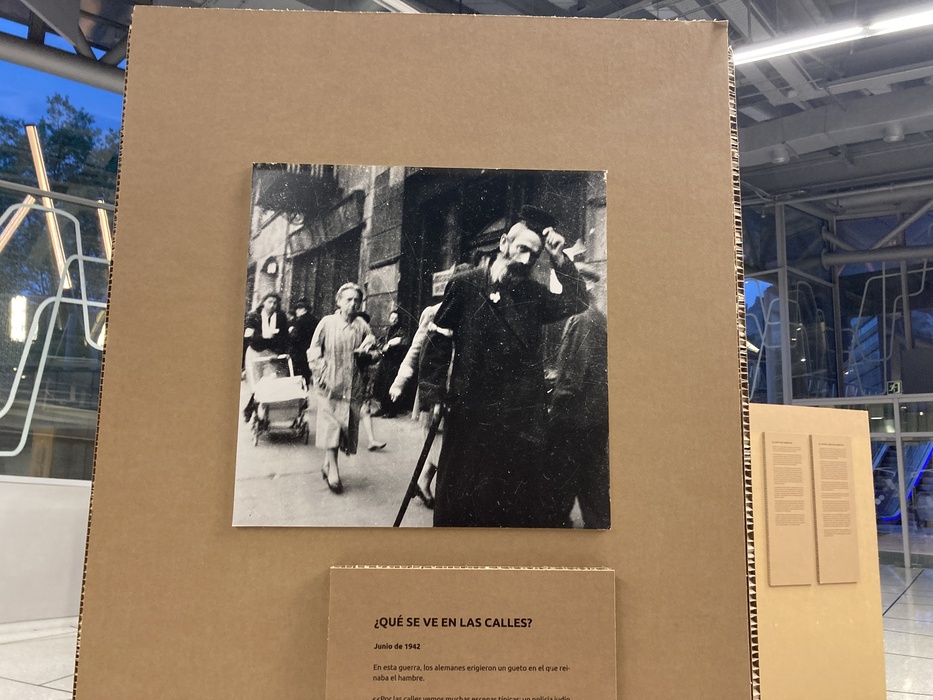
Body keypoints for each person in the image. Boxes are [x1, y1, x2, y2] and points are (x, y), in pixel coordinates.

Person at [422, 205, 587, 527]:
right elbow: (438, 338)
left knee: (510, 509)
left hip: (519, 420)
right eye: (522, 249)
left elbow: (577, 301)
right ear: (503, 244)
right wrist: (433, 391)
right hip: (471, 414)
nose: (526, 260)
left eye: (534, 255)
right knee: (464, 505)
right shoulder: (465, 285)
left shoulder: (533, 294)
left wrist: (559, 258)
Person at [545, 265, 610, 529]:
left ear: (587, 286)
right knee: (592, 483)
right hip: (594, 416)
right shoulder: (596, 317)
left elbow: (573, 378)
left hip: (575, 419)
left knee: (561, 483)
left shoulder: (582, 319)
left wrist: (553, 409)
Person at [307, 283, 379, 494]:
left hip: (353, 384)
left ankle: (327, 464)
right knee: (332, 426)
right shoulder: (327, 323)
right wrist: (319, 372)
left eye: (357, 300)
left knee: (344, 426)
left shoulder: (362, 326)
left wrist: (368, 354)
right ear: (338, 301)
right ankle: (334, 471)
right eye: (348, 299)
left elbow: (375, 352)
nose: (353, 304)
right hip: (329, 382)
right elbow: (314, 350)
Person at [389, 302, 443, 508]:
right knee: (439, 443)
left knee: (441, 444)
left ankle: (422, 483)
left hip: (460, 391)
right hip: (435, 388)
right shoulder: (434, 312)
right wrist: (399, 382)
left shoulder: (475, 307)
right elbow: (415, 350)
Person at [242, 292, 289, 423]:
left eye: (275, 303)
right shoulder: (254, 316)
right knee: (256, 385)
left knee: (269, 384)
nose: (272, 305)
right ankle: (254, 411)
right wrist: (264, 336)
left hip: (271, 355)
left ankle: (258, 413)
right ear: (263, 302)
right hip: (255, 353)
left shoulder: (280, 317)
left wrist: (282, 352)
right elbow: (248, 337)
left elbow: (285, 337)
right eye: (270, 302)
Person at [373, 310, 410, 417]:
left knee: (391, 384)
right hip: (385, 361)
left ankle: (392, 410)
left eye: (396, 319)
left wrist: (395, 343)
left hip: (395, 362)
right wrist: (383, 347)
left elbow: (405, 343)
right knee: (382, 384)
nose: (393, 321)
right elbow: (378, 342)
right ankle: (382, 408)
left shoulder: (402, 331)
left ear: (399, 320)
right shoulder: (385, 330)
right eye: (392, 318)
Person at [288, 298, 318, 385]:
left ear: (304, 309)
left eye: (298, 309)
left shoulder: (300, 321)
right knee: (306, 377)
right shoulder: (315, 320)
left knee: (297, 377)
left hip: (298, 353)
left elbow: (295, 338)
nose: (296, 311)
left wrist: (291, 332)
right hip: (309, 352)